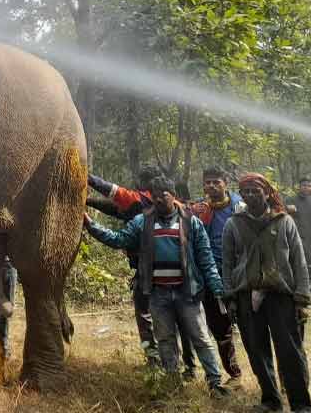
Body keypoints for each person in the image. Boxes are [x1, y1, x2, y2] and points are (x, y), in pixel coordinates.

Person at [84, 176, 228, 397]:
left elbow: (206, 259)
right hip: (158, 295)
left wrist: (217, 288)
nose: (159, 199)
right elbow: (118, 239)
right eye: (155, 195)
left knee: (200, 338)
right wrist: (91, 225)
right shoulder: (143, 221)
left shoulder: (191, 222)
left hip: (187, 293)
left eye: (164, 195)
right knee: (165, 340)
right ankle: (173, 383)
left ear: (173, 196)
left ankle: (215, 383)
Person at [87, 167, 197, 377]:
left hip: (147, 273)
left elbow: (110, 191)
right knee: (180, 321)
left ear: (144, 184)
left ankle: (154, 360)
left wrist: (86, 177)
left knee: (146, 317)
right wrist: (89, 201)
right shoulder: (176, 206)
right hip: (177, 274)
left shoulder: (139, 200)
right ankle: (189, 366)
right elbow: (116, 209)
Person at [223, 173, 311, 413]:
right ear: (241, 195)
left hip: (280, 295)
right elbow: (227, 263)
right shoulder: (234, 223)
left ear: (267, 192)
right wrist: (229, 297)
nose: (251, 195)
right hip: (246, 295)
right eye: (246, 191)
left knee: (290, 352)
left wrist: (302, 299)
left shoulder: (283, 221)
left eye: (256, 190)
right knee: (257, 351)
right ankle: (271, 401)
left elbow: (298, 261)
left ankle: (301, 404)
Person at [189, 166, 243, 382]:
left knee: (250, 328)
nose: (211, 186)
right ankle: (235, 374)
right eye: (207, 182)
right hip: (210, 278)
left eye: (216, 182)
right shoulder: (200, 210)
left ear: (226, 182)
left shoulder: (240, 206)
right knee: (220, 328)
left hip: (239, 277)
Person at [287, 177, 311, 286]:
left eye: (309, 186)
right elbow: (280, 212)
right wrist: (286, 208)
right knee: (299, 263)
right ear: (299, 187)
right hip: (297, 237)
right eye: (304, 185)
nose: (306, 188)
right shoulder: (291, 200)